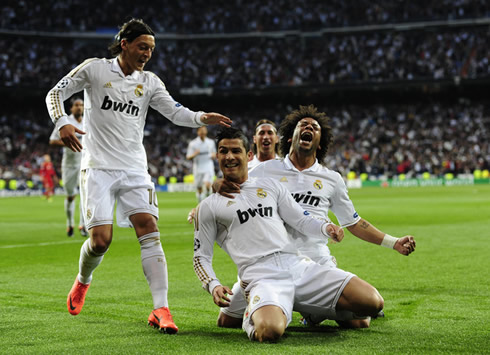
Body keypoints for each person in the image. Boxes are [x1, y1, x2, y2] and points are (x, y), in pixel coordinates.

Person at [45, 18, 231, 334]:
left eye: (151, 49)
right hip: (98, 167)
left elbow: (175, 112)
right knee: (100, 241)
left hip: (134, 168)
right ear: (125, 44)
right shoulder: (95, 69)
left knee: (149, 228)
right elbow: (54, 94)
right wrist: (62, 122)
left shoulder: (150, 82)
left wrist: (202, 117)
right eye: (143, 47)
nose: (147, 53)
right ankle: (83, 280)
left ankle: (161, 308)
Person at [216, 105, 416, 329]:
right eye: (303, 125)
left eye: (314, 127)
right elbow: (230, 187)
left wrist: (393, 242)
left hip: (316, 262)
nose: (309, 127)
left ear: (319, 143)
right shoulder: (264, 171)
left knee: (361, 320)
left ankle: (310, 311)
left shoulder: (331, 179)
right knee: (226, 321)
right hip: (271, 264)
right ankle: (304, 310)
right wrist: (215, 189)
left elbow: (355, 223)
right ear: (290, 137)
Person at [193, 127, 384, 342]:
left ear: (248, 155)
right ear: (216, 155)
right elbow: (201, 257)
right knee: (270, 332)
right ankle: (251, 315)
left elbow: (301, 219)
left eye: (235, 151)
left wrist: (325, 228)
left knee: (372, 302)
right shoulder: (208, 207)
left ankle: (309, 310)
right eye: (223, 151)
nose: (229, 156)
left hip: (296, 264)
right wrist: (214, 285)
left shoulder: (270, 186)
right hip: (260, 275)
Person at [49, 97, 87, 237]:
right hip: (70, 164)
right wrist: (67, 143)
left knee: (86, 194)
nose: (79, 107)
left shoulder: (88, 121)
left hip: (86, 163)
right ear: (71, 108)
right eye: (76, 105)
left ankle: (83, 225)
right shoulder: (65, 122)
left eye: (81, 105)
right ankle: (70, 224)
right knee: (71, 196)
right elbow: (52, 141)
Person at [186, 126, 216, 202]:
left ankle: (208, 200)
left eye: (204, 130)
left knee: (208, 185)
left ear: (206, 132)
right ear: (198, 132)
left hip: (208, 166)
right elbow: (188, 157)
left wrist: (213, 155)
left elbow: (214, 153)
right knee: (199, 188)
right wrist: (195, 154)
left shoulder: (211, 142)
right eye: (201, 131)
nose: (202, 132)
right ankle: (200, 202)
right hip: (198, 167)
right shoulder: (193, 144)